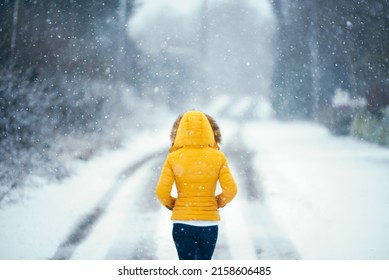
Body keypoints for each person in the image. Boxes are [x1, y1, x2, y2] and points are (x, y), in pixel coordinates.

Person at [155, 110, 238, 260]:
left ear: (180, 132)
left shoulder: (173, 158)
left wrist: (174, 204)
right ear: (209, 131)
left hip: (182, 223)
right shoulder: (218, 157)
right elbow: (231, 190)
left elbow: (161, 192)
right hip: (208, 224)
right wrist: (217, 202)